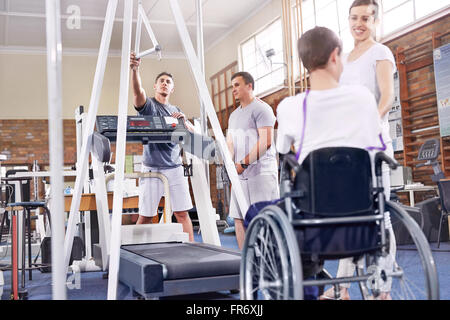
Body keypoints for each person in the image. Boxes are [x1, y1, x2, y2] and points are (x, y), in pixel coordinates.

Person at [276, 26, 386, 299]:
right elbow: (376, 144)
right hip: (361, 210)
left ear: (305, 64)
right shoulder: (363, 98)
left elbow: (281, 152)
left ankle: (303, 273)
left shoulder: (289, 107)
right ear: (336, 56)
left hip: (313, 214)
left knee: (264, 211)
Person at [320, 0, 397, 300]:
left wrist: (368, 125)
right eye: (354, 18)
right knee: (351, 217)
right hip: (349, 150)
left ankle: (383, 290)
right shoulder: (345, 59)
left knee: (381, 217)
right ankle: (342, 288)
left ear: (375, 20)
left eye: (365, 18)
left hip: (374, 144)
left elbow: (387, 97)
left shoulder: (381, 52)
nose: (358, 23)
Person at [130, 51, 195, 242]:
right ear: (155, 86)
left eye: (168, 81)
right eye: (162, 81)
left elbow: (190, 134)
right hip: (152, 168)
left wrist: (185, 122)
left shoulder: (177, 111)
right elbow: (137, 92)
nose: (165, 83)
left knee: (182, 213)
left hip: (175, 168)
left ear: (172, 88)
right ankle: (133, 250)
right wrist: (135, 69)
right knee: (147, 215)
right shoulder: (149, 106)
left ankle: (191, 250)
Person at [226, 71, 279, 250]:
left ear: (249, 86)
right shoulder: (233, 116)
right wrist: (231, 165)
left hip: (261, 173)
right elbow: (230, 143)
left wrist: (243, 163)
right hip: (240, 175)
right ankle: (245, 262)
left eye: (237, 85)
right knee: (239, 218)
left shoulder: (262, 109)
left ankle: (269, 263)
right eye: (232, 86)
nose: (233, 89)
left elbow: (266, 141)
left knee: (263, 219)